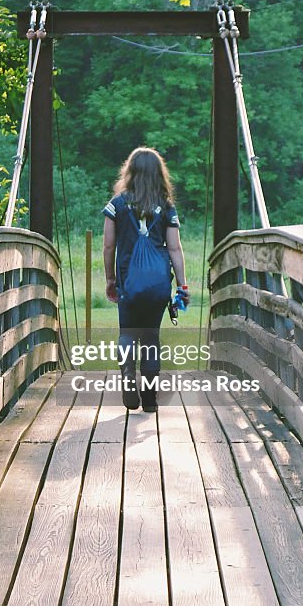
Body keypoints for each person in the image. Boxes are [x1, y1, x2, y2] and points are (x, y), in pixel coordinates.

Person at [103, 147, 189, 411]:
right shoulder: (167, 207)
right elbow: (174, 248)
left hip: (128, 283)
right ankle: (150, 400)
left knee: (128, 333)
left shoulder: (116, 205)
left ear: (129, 172)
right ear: (158, 174)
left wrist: (110, 280)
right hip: (157, 285)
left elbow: (109, 246)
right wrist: (181, 285)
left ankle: (128, 375)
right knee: (151, 339)